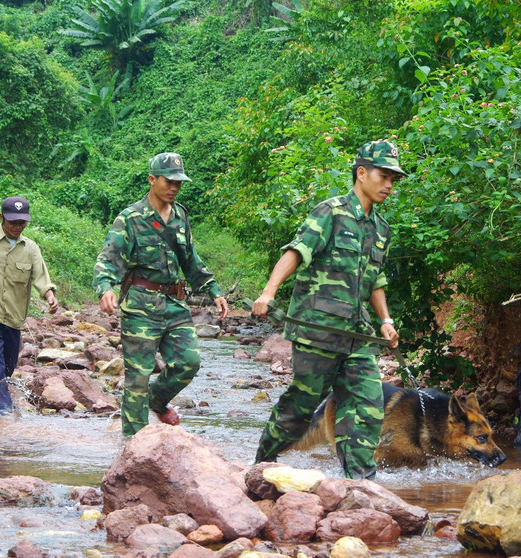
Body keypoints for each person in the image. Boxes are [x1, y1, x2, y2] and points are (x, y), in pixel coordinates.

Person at [251, 139, 404, 480]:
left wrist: (385, 321)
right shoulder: (330, 212)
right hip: (317, 331)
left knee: (367, 406)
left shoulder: (381, 229)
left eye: (394, 178)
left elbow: (375, 280)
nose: (390, 184)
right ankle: (261, 465)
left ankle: (359, 483)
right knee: (301, 409)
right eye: (384, 175)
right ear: (361, 173)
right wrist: (267, 292)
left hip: (356, 336)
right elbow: (296, 252)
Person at [93, 152, 229, 436]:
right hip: (141, 306)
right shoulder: (130, 218)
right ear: (152, 180)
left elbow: (191, 260)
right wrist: (105, 287)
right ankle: (134, 444)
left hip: (174, 304)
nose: (175, 187)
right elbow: (108, 258)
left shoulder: (180, 215)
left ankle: (157, 400)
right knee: (138, 379)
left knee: (188, 362)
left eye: (179, 182)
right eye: (169, 181)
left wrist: (214, 291)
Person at [0, 196, 59, 416]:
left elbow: (40, 276)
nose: (17, 227)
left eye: (21, 223)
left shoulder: (30, 248)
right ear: (1, 218)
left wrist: (49, 294)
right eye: (12, 222)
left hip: (14, 319)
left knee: (6, 370)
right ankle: (4, 415)